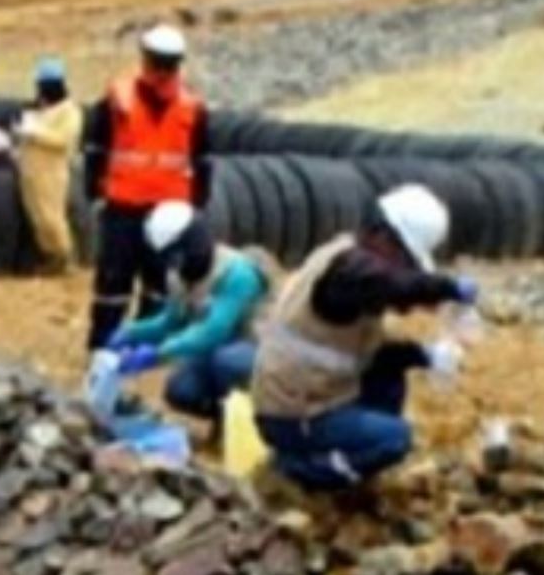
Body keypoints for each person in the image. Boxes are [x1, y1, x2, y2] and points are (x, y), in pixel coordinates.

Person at [250, 184, 479, 488]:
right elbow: (391, 284)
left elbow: (369, 353)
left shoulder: (347, 264)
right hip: (294, 413)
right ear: (384, 237)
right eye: (406, 260)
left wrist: (425, 355)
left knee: (389, 372)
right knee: (395, 439)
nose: (404, 269)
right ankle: (298, 475)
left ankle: (346, 466)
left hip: (312, 397)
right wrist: (448, 288)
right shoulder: (349, 272)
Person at [82, 24, 212, 351]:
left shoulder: (192, 108)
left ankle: (144, 343)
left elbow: (202, 160)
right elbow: (96, 148)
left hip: (168, 211)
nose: (161, 71)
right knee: (113, 281)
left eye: (167, 64)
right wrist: (94, 191)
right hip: (123, 206)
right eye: (158, 62)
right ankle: (103, 345)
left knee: (159, 283)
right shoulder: (117, 100)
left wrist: (196, 204)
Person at [107, 202, 270, 419]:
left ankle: (258, 421)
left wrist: (158, 353)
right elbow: (170, 321)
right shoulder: (181, 277)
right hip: (217, 351)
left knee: (228, 362)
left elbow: (213, 331)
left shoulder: (238, 274)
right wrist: (130, 332)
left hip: (261, 353)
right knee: (181, 390)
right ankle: (225, 419)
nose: (171, 263)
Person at [14, 58, 83, 272]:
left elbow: (63, 140)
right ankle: (51, 257)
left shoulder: (70, 111)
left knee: (52, 217)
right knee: (37, 217)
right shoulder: (41, 110)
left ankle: (66, 256)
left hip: (52, 173)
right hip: (31, 172)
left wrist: (34, 132)